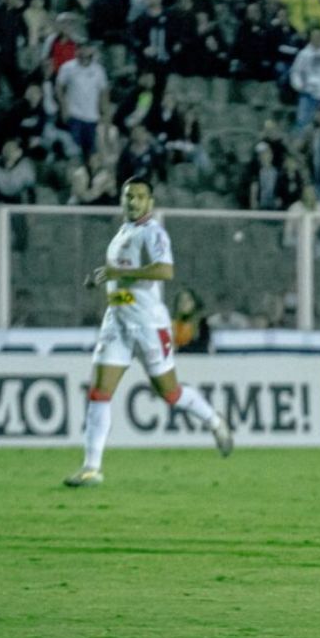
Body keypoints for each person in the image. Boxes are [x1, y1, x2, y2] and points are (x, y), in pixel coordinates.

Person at [63, 177, 233, 487]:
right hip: (117, 321)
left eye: (140, 197)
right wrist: (104, 281)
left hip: (148, 326)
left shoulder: (154, 233)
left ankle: (214, 420)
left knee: (170, 393)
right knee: (99, 392)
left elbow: (165, 271)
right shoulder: (122, 233)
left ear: (150, 203)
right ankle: (91, 467)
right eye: (129, 196)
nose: (133, 201)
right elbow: (122, 279)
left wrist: (119, 273)